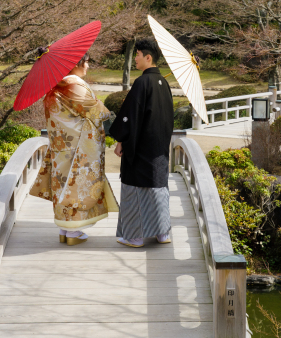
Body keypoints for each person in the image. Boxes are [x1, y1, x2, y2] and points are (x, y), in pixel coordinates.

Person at [29, 53, 118, 245]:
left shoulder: (55, 86)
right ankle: (73, 233)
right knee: (76, 186)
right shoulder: (73, 85)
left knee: (63, 184)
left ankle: (64, 228)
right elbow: (96, 111)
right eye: (85, 62)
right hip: (79, 147)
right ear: (75, 64)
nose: (87, 65)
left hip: (62, 145)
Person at [108, 38, 174, 248]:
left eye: (137, 55)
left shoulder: (143, 82)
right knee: (158, 189)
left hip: (142, 148)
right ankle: (163, 233)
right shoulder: (165, 84)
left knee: (135, 189)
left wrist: (121, 140)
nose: (135, 58)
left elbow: (130, 116)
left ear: (148, 57)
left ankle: (134, 236)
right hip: (159, 148)